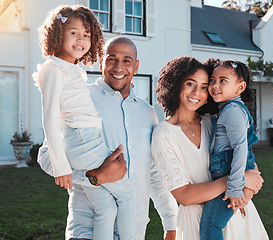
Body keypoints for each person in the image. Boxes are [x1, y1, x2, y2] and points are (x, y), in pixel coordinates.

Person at [38, 36, 178, 240]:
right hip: (87, 228)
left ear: (136, 66)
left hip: (135, 229)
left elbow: (154, 174)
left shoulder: (147, 113)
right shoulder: (80, 99)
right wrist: (95, 177)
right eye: (111, 58)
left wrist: (170, 223)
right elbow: (46, 156)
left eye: (126, 60)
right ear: (100, 61)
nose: (119, 67)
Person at [34, 5, 136, 240]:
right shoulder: (54, 69)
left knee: (106, 207)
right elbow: (49, 117)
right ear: (58, 33)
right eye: (74, 32)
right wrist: (60, 168)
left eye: (87, 35)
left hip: (84, 139)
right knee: (127, 196)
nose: (81, 39)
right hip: (83, 140)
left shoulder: (70, 69)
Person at [151, 56, 269, 240]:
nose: (197, 92)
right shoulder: (163, 134)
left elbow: (251, 169)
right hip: (197, 224)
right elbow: (184, 196)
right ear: (175, 85)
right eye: (190, 83)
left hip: (236, 212)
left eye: (205, 86)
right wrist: (236, 181)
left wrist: (248, 189)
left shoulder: (212, 122)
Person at [199, 59, 261, 240]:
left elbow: (240, 149)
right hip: (229, 174)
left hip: (231, 177)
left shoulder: (232, 110)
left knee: (211, 225)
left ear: (240, 87)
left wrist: (234, 188)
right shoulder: (227, 108)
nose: (214, 86)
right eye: (212, 80)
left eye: (223, 80)